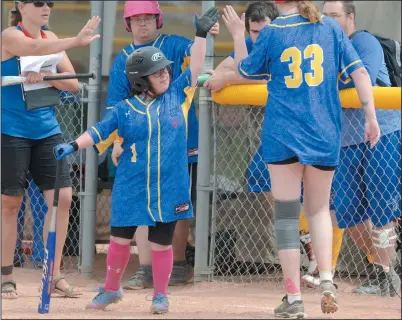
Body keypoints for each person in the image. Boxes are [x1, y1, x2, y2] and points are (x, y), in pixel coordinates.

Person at [54, 7, 219, 313]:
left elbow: (195, 65)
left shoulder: (178, 95)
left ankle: (160, 295)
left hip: (170, 185)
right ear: (141, 80)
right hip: (132, 184)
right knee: (118, 240)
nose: (165, 74)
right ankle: (111, 289)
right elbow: (99, 130)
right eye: (158, 72)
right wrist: (73, 145)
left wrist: (200, 35)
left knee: (161, 243)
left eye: (166, 70)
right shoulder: (125, 109)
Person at [223, 0, 380, 317]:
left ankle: (293, 299)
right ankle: (326, 281)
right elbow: (360, 71)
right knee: (320, 209)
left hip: (282, 133)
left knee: (286, 216)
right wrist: (371, 117)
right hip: (323, 130)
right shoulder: (331, 27)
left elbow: (246, 69)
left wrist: (238, 35)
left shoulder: (273, 31)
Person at [204, 0, 344, 289]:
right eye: (252, 32)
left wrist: (236, 44)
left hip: (289, 130)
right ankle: (320, 266)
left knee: (303, 210)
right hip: (296, 132)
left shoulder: (279, 33)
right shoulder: (304, 31)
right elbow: (230, 68)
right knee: (271, 185)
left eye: (259, 31)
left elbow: (241, 72)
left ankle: (301, 284)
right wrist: (234, 57)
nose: (257, 37)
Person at [94, 0, 219, 289]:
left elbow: (196, 57)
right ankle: (146, 268)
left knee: (175, 201)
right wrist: (117, 141)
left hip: (178, 137)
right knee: (140, 203)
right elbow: (116, 106)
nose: (142, 23)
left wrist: (204, 33)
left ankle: (176, 263)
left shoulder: (172, 44)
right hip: (140, 142)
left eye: (148, 17)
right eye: (136, 19)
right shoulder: (124, 58)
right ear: (127, 24)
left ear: (158, 19)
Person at [1, 0, 100, 299]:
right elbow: (31, 50)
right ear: (21, 5)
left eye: (50, 3)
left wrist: (47, 76)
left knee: (63, 198)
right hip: (11, 130)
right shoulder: (9, 35)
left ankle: (53, 273)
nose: (47, 7)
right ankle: (6, 275)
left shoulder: (52, 39)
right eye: (39, 2)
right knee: (10, 203)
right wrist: (75, 42)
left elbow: (71, 84)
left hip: (47, 130)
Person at [323, 0, 401, 297]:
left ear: (350, 18)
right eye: (325, 16)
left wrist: (324, 82)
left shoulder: (363, 40)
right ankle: (385, 269)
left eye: (335, 15)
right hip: (346, 140)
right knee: (348, 213)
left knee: (382, 207)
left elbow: (362, 77)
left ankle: (384, 276)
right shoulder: (323, 52)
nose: (329, 21)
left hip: (381, 132)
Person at [14, 173, 47, 269]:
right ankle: (14, 254)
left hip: (38, 161)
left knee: (41, 210)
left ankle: (41, 257)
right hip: (15, 160)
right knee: (13, 209)